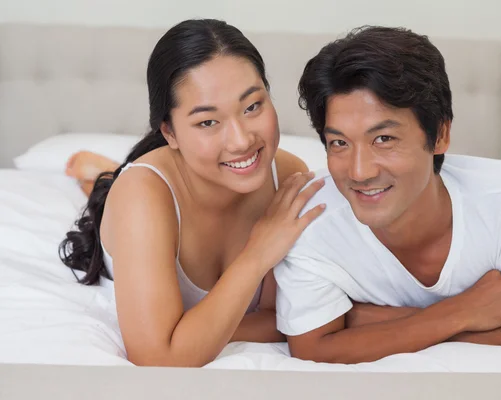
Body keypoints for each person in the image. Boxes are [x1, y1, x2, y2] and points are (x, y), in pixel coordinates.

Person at [274, 25, 501, 364]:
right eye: (339, 143)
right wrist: (457, 314)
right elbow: (311, 348)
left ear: (440, 135)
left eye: (383, 139)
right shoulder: (312, 218)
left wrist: (365, 319)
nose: (359, 172)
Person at [59, 19, 326, 368]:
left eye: (252, 107)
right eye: (207, 122)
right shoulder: (143, 196)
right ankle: (98, 176)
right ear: (169, 132)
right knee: (112, 187)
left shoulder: (288, 176)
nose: (242, 140)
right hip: (145, 193)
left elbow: (281, 318)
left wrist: (189, 333)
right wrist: (257, 253)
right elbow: (157, 356)